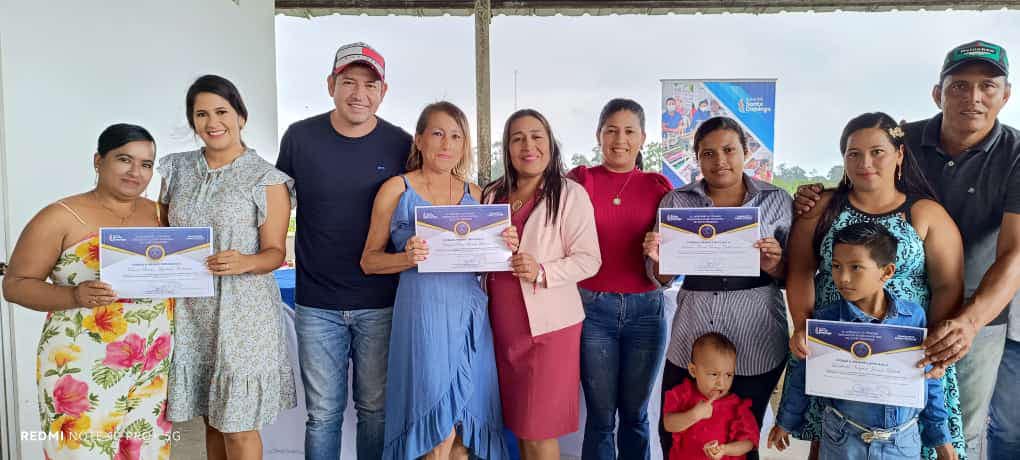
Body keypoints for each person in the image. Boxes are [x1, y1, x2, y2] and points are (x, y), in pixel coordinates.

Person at [794, 42, 1020, 459]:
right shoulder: (903, 136)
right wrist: (813, 197)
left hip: (965, 315)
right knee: (835, 429)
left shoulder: (1014, 153)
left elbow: (1013, 254)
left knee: (945, 431)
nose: (973, 97)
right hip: (840, 335)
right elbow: (802, 266)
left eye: (987, 86)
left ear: (1005, 95)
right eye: (959, 86)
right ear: (938, 94)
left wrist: (957, 326)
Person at [787, 112, 966, 459]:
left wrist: (933, 346)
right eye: (853, 153)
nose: (865, 162)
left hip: (908, 353)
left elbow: (948, 284)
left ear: (899, 154)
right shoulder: (822, 208)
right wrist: (803, 328)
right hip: (836, 348)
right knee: (834, 435)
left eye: (877, 152)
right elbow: (800, 272)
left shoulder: (925, 213)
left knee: (911, 438)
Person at [2, 124, 173, 460]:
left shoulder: (159, 214)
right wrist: (73, 296)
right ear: (98, 161)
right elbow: (15, 285)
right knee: (81, 453)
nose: (135, 172)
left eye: (146, 164)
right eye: (124, 159)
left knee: (146, 452)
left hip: (152, 365)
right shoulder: (59, 217)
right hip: (80, 365)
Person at [275, 42, 412, 460]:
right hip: (317, 304)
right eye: (349, 82)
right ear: (330, 85)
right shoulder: (300, 138)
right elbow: (276, 205)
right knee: (323, 415)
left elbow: (424, 204)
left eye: (370, 85)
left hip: (381, 302)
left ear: (383, 92)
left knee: (375, 411)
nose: (359, 93)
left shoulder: (401, 144)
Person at [360, 101, 508, 459]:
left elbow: (487, 261)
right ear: (419, 139)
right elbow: (369, 261)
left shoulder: (477, 193)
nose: (446, 144)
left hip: (470, 315)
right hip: (423, 315)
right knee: (435, 433)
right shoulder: (396, 189)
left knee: (463, 434)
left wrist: (505, 245)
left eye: (456, 136)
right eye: (438, 133)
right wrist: (405, 258)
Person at [160, 74, 297, 459]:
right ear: (192, 121)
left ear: (241, 116)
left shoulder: (266, 179)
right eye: (201, 114)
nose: (212, 122)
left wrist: (246, 261)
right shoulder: (176, 170)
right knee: (212, 420)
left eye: (221, 111)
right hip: (193, 312)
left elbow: (275, 252)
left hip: (243, 313)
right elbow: (162, 234)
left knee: (238, 426)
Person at [644, 116, 791, 460]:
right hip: (692, 335)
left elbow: (794, 273)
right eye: (708, 153)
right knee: (676, 434)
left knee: (742, 439)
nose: (720, 160)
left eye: (729, 150)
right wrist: (659, 259)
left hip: (756, 335)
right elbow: (662, 279)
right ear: (697, 158)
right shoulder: (676, 202)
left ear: (746, 152)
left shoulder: (776, 200)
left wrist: (774, 264)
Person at [770, 222, 956, 460]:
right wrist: (786, 422)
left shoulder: (913, 317)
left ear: (886, 272)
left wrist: (940, 438)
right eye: (836, 266)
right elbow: (803, 375)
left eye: (856, 267)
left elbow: (927, 380)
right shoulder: (826, 321)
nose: (843, 278)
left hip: (901, 442)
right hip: (842, 440)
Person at [482, 109, 601, 460]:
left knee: (539, 430)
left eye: (536, 136)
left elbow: (590, 260)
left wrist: (542, 271)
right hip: (503, 327)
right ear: (507, 148)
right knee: (520, 426)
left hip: (549, 329)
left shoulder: (570, 194)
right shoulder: (492, 194)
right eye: (517, 138)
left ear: (550, 143)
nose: (528, 146)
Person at [566, 98, 672, 460]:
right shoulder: (581, 180)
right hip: (592, 310)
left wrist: (660, 253)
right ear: (599, 134)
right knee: (599, 419)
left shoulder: (658, 186)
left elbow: (674, 257)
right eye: (611, 130)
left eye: (629, 131)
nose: (620, 139)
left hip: (646, 311)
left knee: (635, 415)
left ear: (643, 138)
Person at [662, 333, 758, 460]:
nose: (721, 383)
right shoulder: (683, 394)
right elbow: (668, 424)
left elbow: (749, 443)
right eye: (714, 374)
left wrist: (725, 449)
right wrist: (693, 415)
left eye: (728, 375)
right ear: (693, 371)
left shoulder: (737, 406)